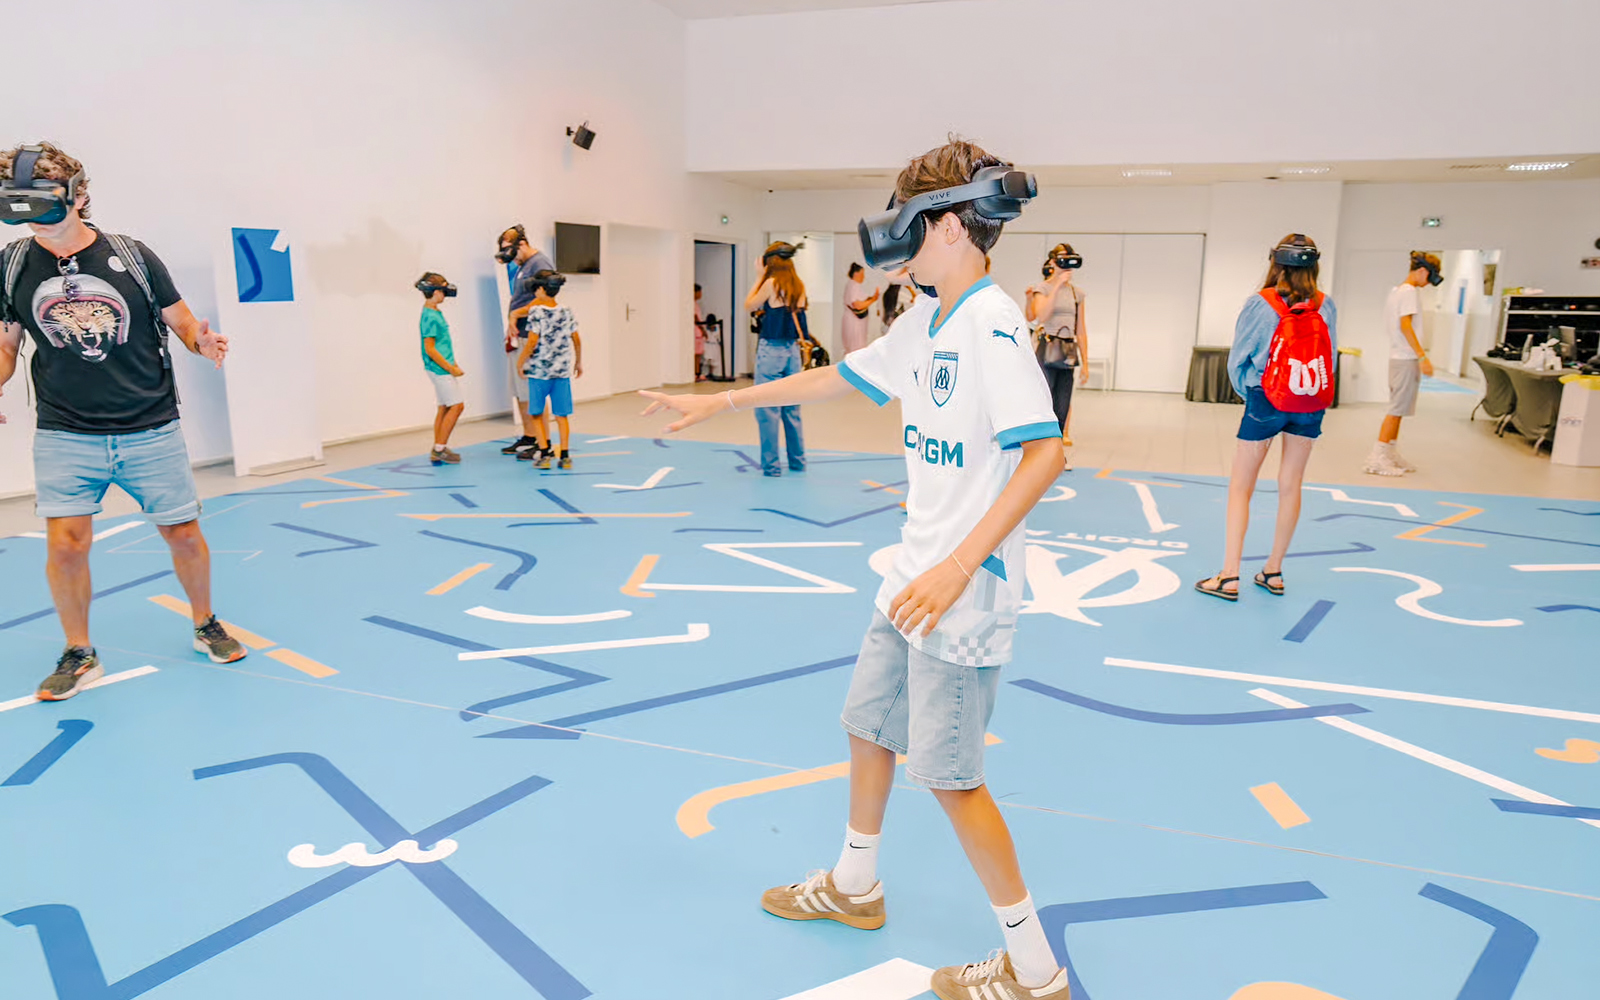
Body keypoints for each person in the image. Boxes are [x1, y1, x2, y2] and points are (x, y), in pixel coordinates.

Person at [641, 138, 1071, 1000]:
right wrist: (721, 400)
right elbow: (835, 379)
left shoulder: (991, 325)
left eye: (911, 224)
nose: (898, 243)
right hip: (910, 575)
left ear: (948, 227)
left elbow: (1046, 454)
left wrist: (958, 567)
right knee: (868, 725)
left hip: (959, 593)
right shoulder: (925, 319)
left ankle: (1035, 968)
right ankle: (855, 883)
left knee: (952, 780)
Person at [0, 141, 247, 700]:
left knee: (183, 534)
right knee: (65, 545)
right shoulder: (12, 265)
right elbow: (7, 346)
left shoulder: (132, 255)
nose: (30, 212)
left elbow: (182, 321)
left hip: (149, 427)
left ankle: (205, 622)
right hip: (65, 432)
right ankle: (79, 652)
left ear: (78, 195)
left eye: (41, 198)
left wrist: (202, 342)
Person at [1196, 233, 1337, 601]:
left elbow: (1238, 360)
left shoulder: (1262, 303)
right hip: (1308, 401)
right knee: (1291, 484)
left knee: (1241, 486)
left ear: (1276, 262)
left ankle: (1229, 576)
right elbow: (1330, 356)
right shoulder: (1325, 305)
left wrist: (1251, 394)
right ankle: (1273, 570)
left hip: (1266, 397)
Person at [1364, 252, 1439, 476]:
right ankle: (1377, 457)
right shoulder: (1409, 292)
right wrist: (1422, 356)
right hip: (1405, 358)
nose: (1428, 284)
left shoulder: (1396, 291)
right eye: (1430, 277)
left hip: (1399, 356)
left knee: (1400, 408)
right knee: (1396, 409)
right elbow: (1405, 325)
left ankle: (1389, 452)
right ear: (1422, 271)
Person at [744, 242, 810, 477]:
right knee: (792, 409)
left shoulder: (771, 284)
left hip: (771, 351)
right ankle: (797, 462)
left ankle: (772, 467)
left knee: (767, 409)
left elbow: (749, 305)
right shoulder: (798, 285)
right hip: (792, 351)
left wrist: (758, 277)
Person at [495, 224, 555, 460]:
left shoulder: (540, 264)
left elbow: (546, 299)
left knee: (533, 391)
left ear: (522, 244)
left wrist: (516, 314)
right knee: (520, 391)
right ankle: (530, 436)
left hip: (531, 334)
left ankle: (543, 443)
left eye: (510, 251)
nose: (510, 258)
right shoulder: (522, 265)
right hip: (517, 335)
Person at [515, 270, 582, 470]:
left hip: (539, 372)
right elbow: (576, 339)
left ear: (542, 290)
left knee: (536, 413)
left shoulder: (536, 312)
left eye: (536, 289)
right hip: (561, 372)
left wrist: (520, 362)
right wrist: (578, 362)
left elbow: (532, 341)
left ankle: (544, 454)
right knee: (561, 415)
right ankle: (565, 456)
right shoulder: (566, 311)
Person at [1024, 244, 1087, 447]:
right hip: (1047, 349)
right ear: (1052, 261)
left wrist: (1085, 363)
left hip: (1067, 351)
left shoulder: (1077, 294)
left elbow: (1081, 329)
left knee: (1063, 403)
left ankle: (1056, 448)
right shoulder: (1042, 289)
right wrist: (1058, 284)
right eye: (1061, 259)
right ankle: (1038, 447)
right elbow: (1041, 315)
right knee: (1044, 400)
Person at [416, 272, 465, 465]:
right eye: (443, 291)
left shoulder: (433, 312)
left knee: (444, 407)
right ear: (436, 292)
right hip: (439, 369)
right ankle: (439, 449)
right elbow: (430, 348)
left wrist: (453, 363)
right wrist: (450, 368)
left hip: (440, 367)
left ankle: (438, 446)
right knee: (457, 406)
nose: (445, 295)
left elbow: (442, 345)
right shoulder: (430, 316)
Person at [840, 262, 880, 355]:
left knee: (854, 349)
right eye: (862, 274)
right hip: (854, 322)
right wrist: (873, 299)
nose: (863, 277)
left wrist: (873, 298)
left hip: (854, 321)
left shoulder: (853, 285)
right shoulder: (853, 285)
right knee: (855, 350)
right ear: (856, 274)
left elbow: (864, 299)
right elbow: (857, 305)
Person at [693, 283, 708, 381]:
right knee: (696, 353)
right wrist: (702, 329)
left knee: (699, 353)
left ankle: (698, 373)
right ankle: (695, 373)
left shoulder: (696, 304)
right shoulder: (692, 304)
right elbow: (695, 317)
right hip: (696, 331)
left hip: (698, 331)